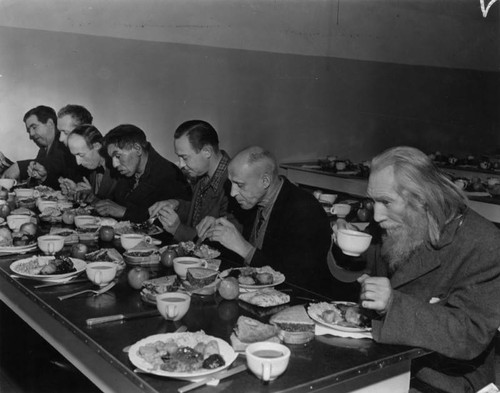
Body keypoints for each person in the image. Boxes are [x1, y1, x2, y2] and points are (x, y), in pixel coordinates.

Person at [333, 146, 500, 392]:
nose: (376, 215)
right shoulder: (396, 218)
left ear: (421, 198)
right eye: (373, 201)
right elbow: (363, 269)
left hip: (441, 378)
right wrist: (346, 244)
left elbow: (470, 334)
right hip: (383, 359)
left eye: (386, 202)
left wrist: (393, 304)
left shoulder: (482, 242)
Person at [205, 146, 333, 294]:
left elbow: (297, 278)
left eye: (239, 185)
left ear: (265, 181)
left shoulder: (304, 209)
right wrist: (216, 229)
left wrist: (245, 249)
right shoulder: (253, 200)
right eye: (231, 183)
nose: (233, 193)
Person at [149, 120, 237, 241]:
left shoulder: (234, 184)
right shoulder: (203, 173)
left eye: (185, 158)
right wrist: (175, 204)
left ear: (207, 151)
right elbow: (196, 212)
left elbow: (222, 245)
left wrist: (177, 229)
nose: (181, 164)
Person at [95, 124, 191, 222]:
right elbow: (113, 204)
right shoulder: (128, 170)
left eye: (118, 156)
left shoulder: (169, 175)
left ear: (138, 149)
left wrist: (124, 212)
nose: (115, 164)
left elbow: (173, 223)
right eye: (112, 158)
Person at [1, 106, 80, 189]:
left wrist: (19, 167)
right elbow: (35, 172)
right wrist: (5, 163)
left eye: (34, 127)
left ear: (50, 123)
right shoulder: (43, 150)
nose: (31, 134)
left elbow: (55, 164)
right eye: (29, 130)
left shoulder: (64, 143)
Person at [66, 124, 118, 204]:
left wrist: (93, 198)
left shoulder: (118, 169)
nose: (78, 162)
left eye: (81, 154)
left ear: (97, 146)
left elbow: (117, 208)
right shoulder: (93, 167)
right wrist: (76, 191)